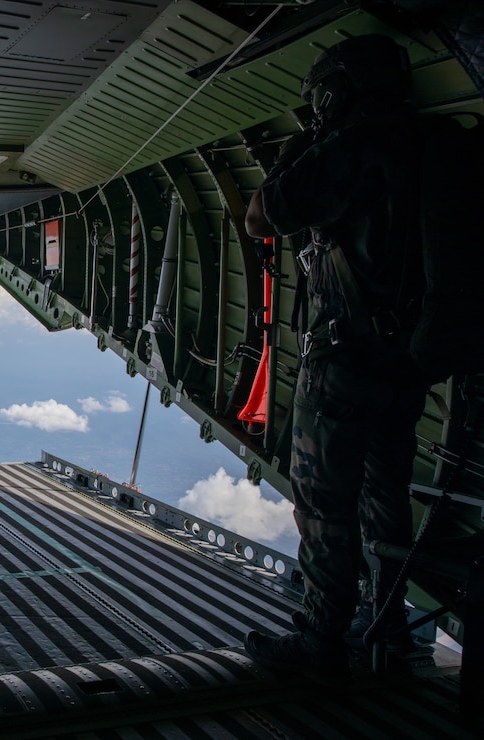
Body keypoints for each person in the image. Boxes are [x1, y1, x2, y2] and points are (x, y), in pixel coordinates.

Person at [242, 34, 429, 680]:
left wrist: (301, 144)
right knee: (385, 495)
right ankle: (388, 625)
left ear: (336, 92)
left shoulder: (349, 152)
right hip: (406, 360)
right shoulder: (426, 147)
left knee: (324, 500)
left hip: (344, 357)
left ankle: (321, 637)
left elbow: (261, 216)